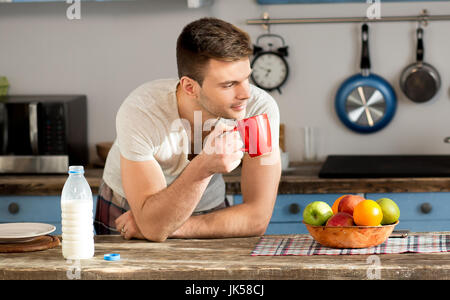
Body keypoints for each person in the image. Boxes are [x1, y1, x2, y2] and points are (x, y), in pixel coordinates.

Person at [94, 17, 281, 242]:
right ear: (190, 87)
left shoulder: (256, 112)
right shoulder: (142, 111)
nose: (246, 94)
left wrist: (170, 227)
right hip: (128, 208)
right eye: (229, 84)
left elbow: (256, 217)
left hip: (207, 209)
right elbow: (152, 225)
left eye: (246, 78)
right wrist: (203, 166)